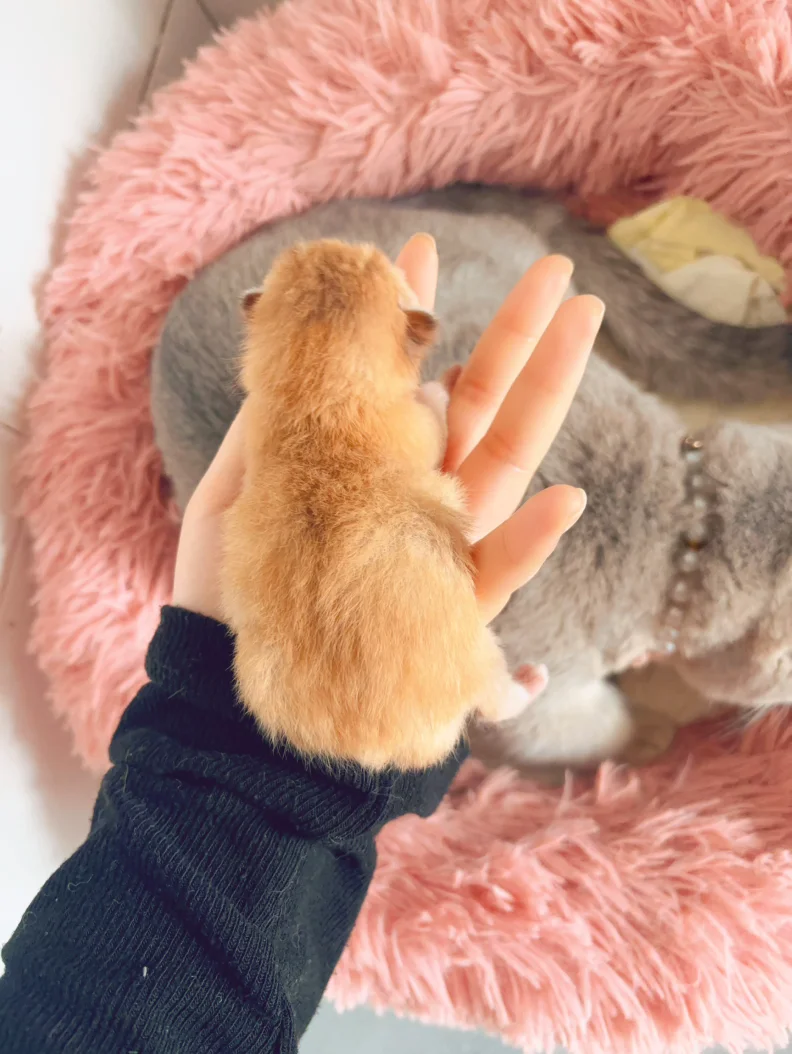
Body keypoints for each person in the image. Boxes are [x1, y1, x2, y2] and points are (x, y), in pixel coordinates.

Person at [0, 235, 602, 1052]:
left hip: (280, 704)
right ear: (413, 340)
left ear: (258, 330)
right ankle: (494, 692)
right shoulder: (401, 422)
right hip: (291, 721)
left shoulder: (280, 437)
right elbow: (421, 421)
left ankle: (487, 694)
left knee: (453, 650)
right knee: (462, 634)